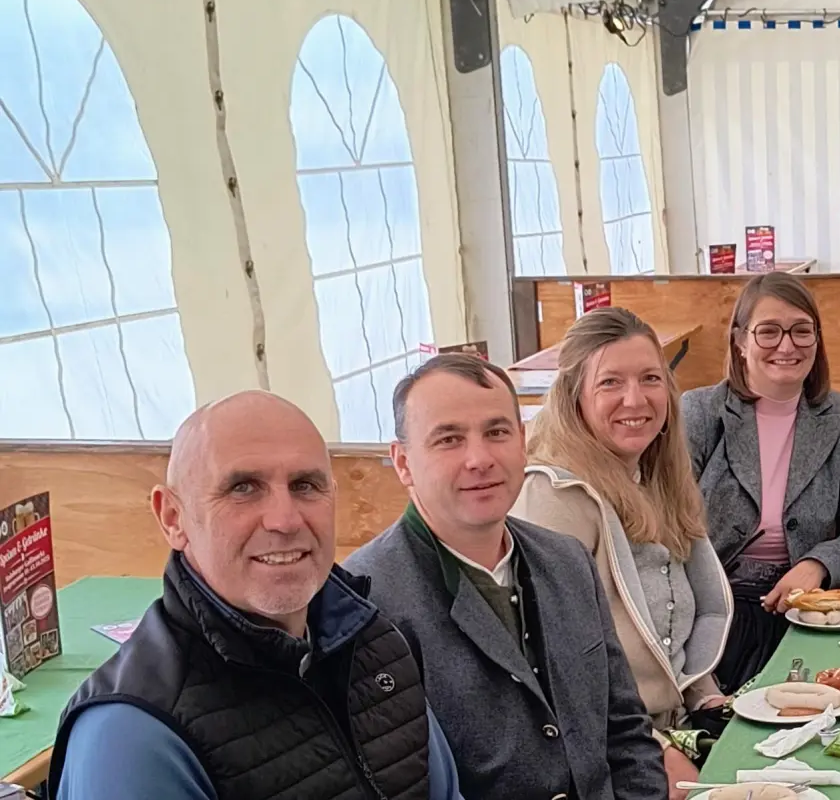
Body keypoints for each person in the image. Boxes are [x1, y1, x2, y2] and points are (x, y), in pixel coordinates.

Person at [48, 391, 465, 800]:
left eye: (305, 485)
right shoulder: (132, 739)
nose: (284, 519)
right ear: (173, 518)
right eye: (243, 488)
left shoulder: (375, 644)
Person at [343, 354, 666, 800]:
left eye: (496, 433)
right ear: (402, 462)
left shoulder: (567, 561)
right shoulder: (363, 601)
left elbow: (626, 730)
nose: (479, 459)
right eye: (449, 439)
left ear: (522, 441)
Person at [515, 307, 734, 800]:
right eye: (610, 382)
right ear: (574, 397)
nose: (635, 400)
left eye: (650, 379)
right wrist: (657, 750)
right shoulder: (555, 497)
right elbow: (556, 665)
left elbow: (672, 636)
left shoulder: (657, 478)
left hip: (679, 726)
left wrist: (710, 697)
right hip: (611, 755)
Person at [682, 273, 840, 692]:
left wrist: (817, 565)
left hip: (811, 611)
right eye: (769, 332)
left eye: (802, 331)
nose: (787, 345)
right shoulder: (700, 412)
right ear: (740, 341)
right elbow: (668, 524)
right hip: (717, 612)